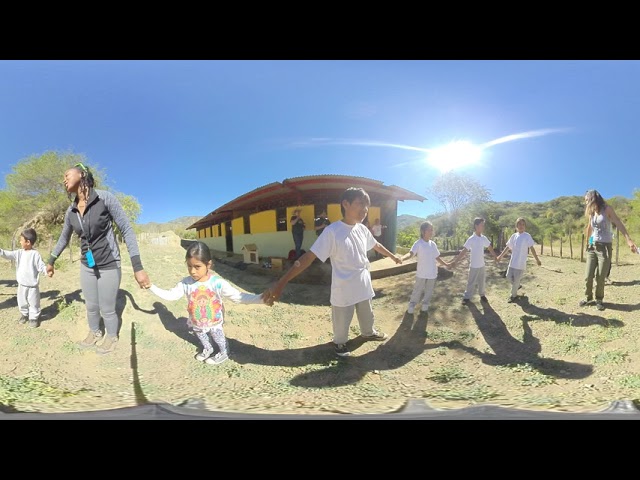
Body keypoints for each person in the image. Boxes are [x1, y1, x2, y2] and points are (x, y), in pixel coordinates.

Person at [262, 187, 402, 357]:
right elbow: (308, 257)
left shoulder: (363, 229)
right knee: (342, 319)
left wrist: (393, 256)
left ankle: (368, 332)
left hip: (363, 282)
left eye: (367, 205)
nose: (364, 209)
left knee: (367, 312)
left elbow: (376, 245)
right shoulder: (333, 231)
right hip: (344, 287)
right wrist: (281, 283)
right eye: (360, 204)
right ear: (345, 204)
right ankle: (340, 343)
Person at [46, 163, 151, 354]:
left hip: (109, 263)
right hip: (88, 264)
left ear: (82, 174)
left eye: (67, 174)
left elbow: (127, 229)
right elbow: (64, 238)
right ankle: (94, 332)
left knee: (107, 308)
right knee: (91, 305)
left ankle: (111, 336)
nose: (64, 179)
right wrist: (51, 260)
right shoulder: (71, 211)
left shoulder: (105, 198)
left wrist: (138, 266)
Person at [149, 241, 267, 365]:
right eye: (189, 266)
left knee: (218, 337)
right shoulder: (185, 283)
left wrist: (261, 298)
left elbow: (238, 297)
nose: (192, 271)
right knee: (201, 336)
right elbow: (171, 295)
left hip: (214, 322)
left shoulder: (217, 283)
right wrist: (151, 287)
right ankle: (208, 348)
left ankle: (224, 352)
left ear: (208, 264)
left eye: (197, 266)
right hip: (197, 322)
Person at [580, 189, 637, 311]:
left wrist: (629, 240)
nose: (586, 203)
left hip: (604, 247)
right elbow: (590, 228)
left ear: (592, 198)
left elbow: (618, 223)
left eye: (586, 200)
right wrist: (587, 242)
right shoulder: (591, 212)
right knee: (588, 275)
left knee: (600, 277)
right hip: (592, 246)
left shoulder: (607, 209)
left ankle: (599, 299)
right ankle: (588, 298)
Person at [400, 221, 453, 314]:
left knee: (429, 291)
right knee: (417, 290)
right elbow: (411, 253)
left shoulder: (433, 244)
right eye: (429, 230)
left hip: (432, 273)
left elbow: (437, 257)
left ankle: (425, 305)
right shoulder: (418, 243)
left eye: (432, 230)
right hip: (421, 273)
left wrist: (446, 264)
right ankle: (412, 305)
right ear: (423, 231)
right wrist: (402, 258)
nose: (431, 232)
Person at [0, 228, 49, 328]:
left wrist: (47, 271)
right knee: (21, 301)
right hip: (21, 284)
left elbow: (41, 266)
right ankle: (24, 314)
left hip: (32, 286)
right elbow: (8, 254)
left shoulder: (35, 254)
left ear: (28, 242)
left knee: (34, 303)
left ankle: (34, 318)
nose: (20, 242)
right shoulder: (19, 253)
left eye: (21, 240)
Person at [450, 217, 499, 305]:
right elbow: (464, 251)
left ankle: (482, 295)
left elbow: (489, 247)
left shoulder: (483, 238)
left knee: (482, 281)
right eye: (481, 225)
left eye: (483, 225)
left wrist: (495, 256)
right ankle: (467, 297)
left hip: (482, 265)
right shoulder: (471, 239)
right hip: (474, 265)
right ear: (476, 226)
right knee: (471, 282)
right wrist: (456, 261)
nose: (483, 227)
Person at [497, 217, 541, 303]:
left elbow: (531, 248)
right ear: (516, 226)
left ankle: (513, 296)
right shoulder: (514, 236)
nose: (521, 226)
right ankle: (517, 286)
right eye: (519, 224)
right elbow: (507, 247)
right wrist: (500, 256)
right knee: (508, 277)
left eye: (523, 224)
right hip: (512, 262)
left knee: (516, 280)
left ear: (525, 226)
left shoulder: (527, 236)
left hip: (520, 264)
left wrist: (537, 259)